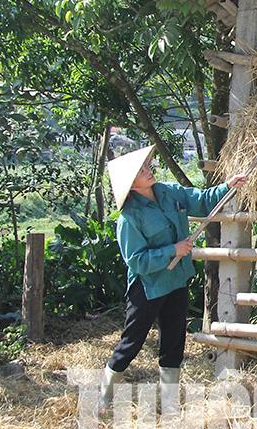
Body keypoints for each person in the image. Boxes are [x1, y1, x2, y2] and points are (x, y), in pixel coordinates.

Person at [98, 144, 247, 407]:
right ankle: (104, 398)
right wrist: (172, 250)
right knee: (131, 342)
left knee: (174, 340)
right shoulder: (129, 218)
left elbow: (201, 200)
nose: (148, 171)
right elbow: (137, 261)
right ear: (131, 185)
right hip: (148, 287)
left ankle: (169, 403)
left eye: (146, 166)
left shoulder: (169, 192)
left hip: (177, 281)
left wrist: (227, 186)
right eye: (141, 171)